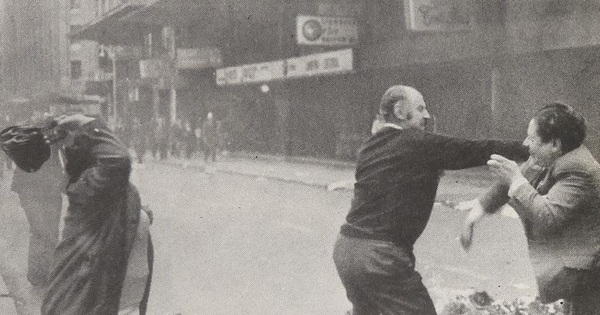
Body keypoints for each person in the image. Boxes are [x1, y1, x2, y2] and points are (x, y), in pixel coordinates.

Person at [333, 85, 529, 315]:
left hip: (346, 249)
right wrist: (526, 148)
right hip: (380, 258)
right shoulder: (416, 142)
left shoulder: (369, 147)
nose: (426, 115)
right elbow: (475, 149)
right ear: (399, 110)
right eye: (420, 108)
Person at [460, 103, 600, 315]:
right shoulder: (553, 157)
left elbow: (548, 216)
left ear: (554, 144)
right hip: (577, 274)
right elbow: (508, 182)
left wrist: (516, 180)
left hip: (589, 278)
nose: (526, 144)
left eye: (531, 138)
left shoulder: (580, 170)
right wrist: (476, 213)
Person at [40, 113, 151, 315]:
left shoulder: (103, 191)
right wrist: (92, 125)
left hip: (114, 298)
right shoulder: (90, 188)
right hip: (97, 300)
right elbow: (119, 159)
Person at [10, 111, 65, 288]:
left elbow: (67, 157)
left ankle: (45, 273)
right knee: (41, 230)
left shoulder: (54, 137)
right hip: (31, 190)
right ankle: (38, 274)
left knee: (49, 231)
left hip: (50, 189)